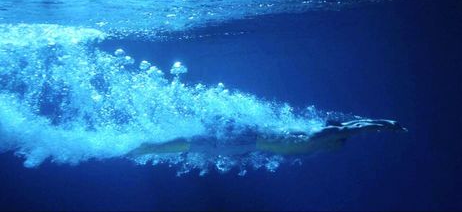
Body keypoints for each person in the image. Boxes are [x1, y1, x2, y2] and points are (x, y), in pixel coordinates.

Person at [127, 119, 406, 157]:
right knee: (198, 144)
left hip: (251, 142)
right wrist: (386, 124)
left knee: (201, 144)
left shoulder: (316, 143)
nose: (338, 147)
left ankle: (150, 146)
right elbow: (353, 126)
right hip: (250, 139)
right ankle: (148, 147)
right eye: (339, 143)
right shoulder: (323, 134)